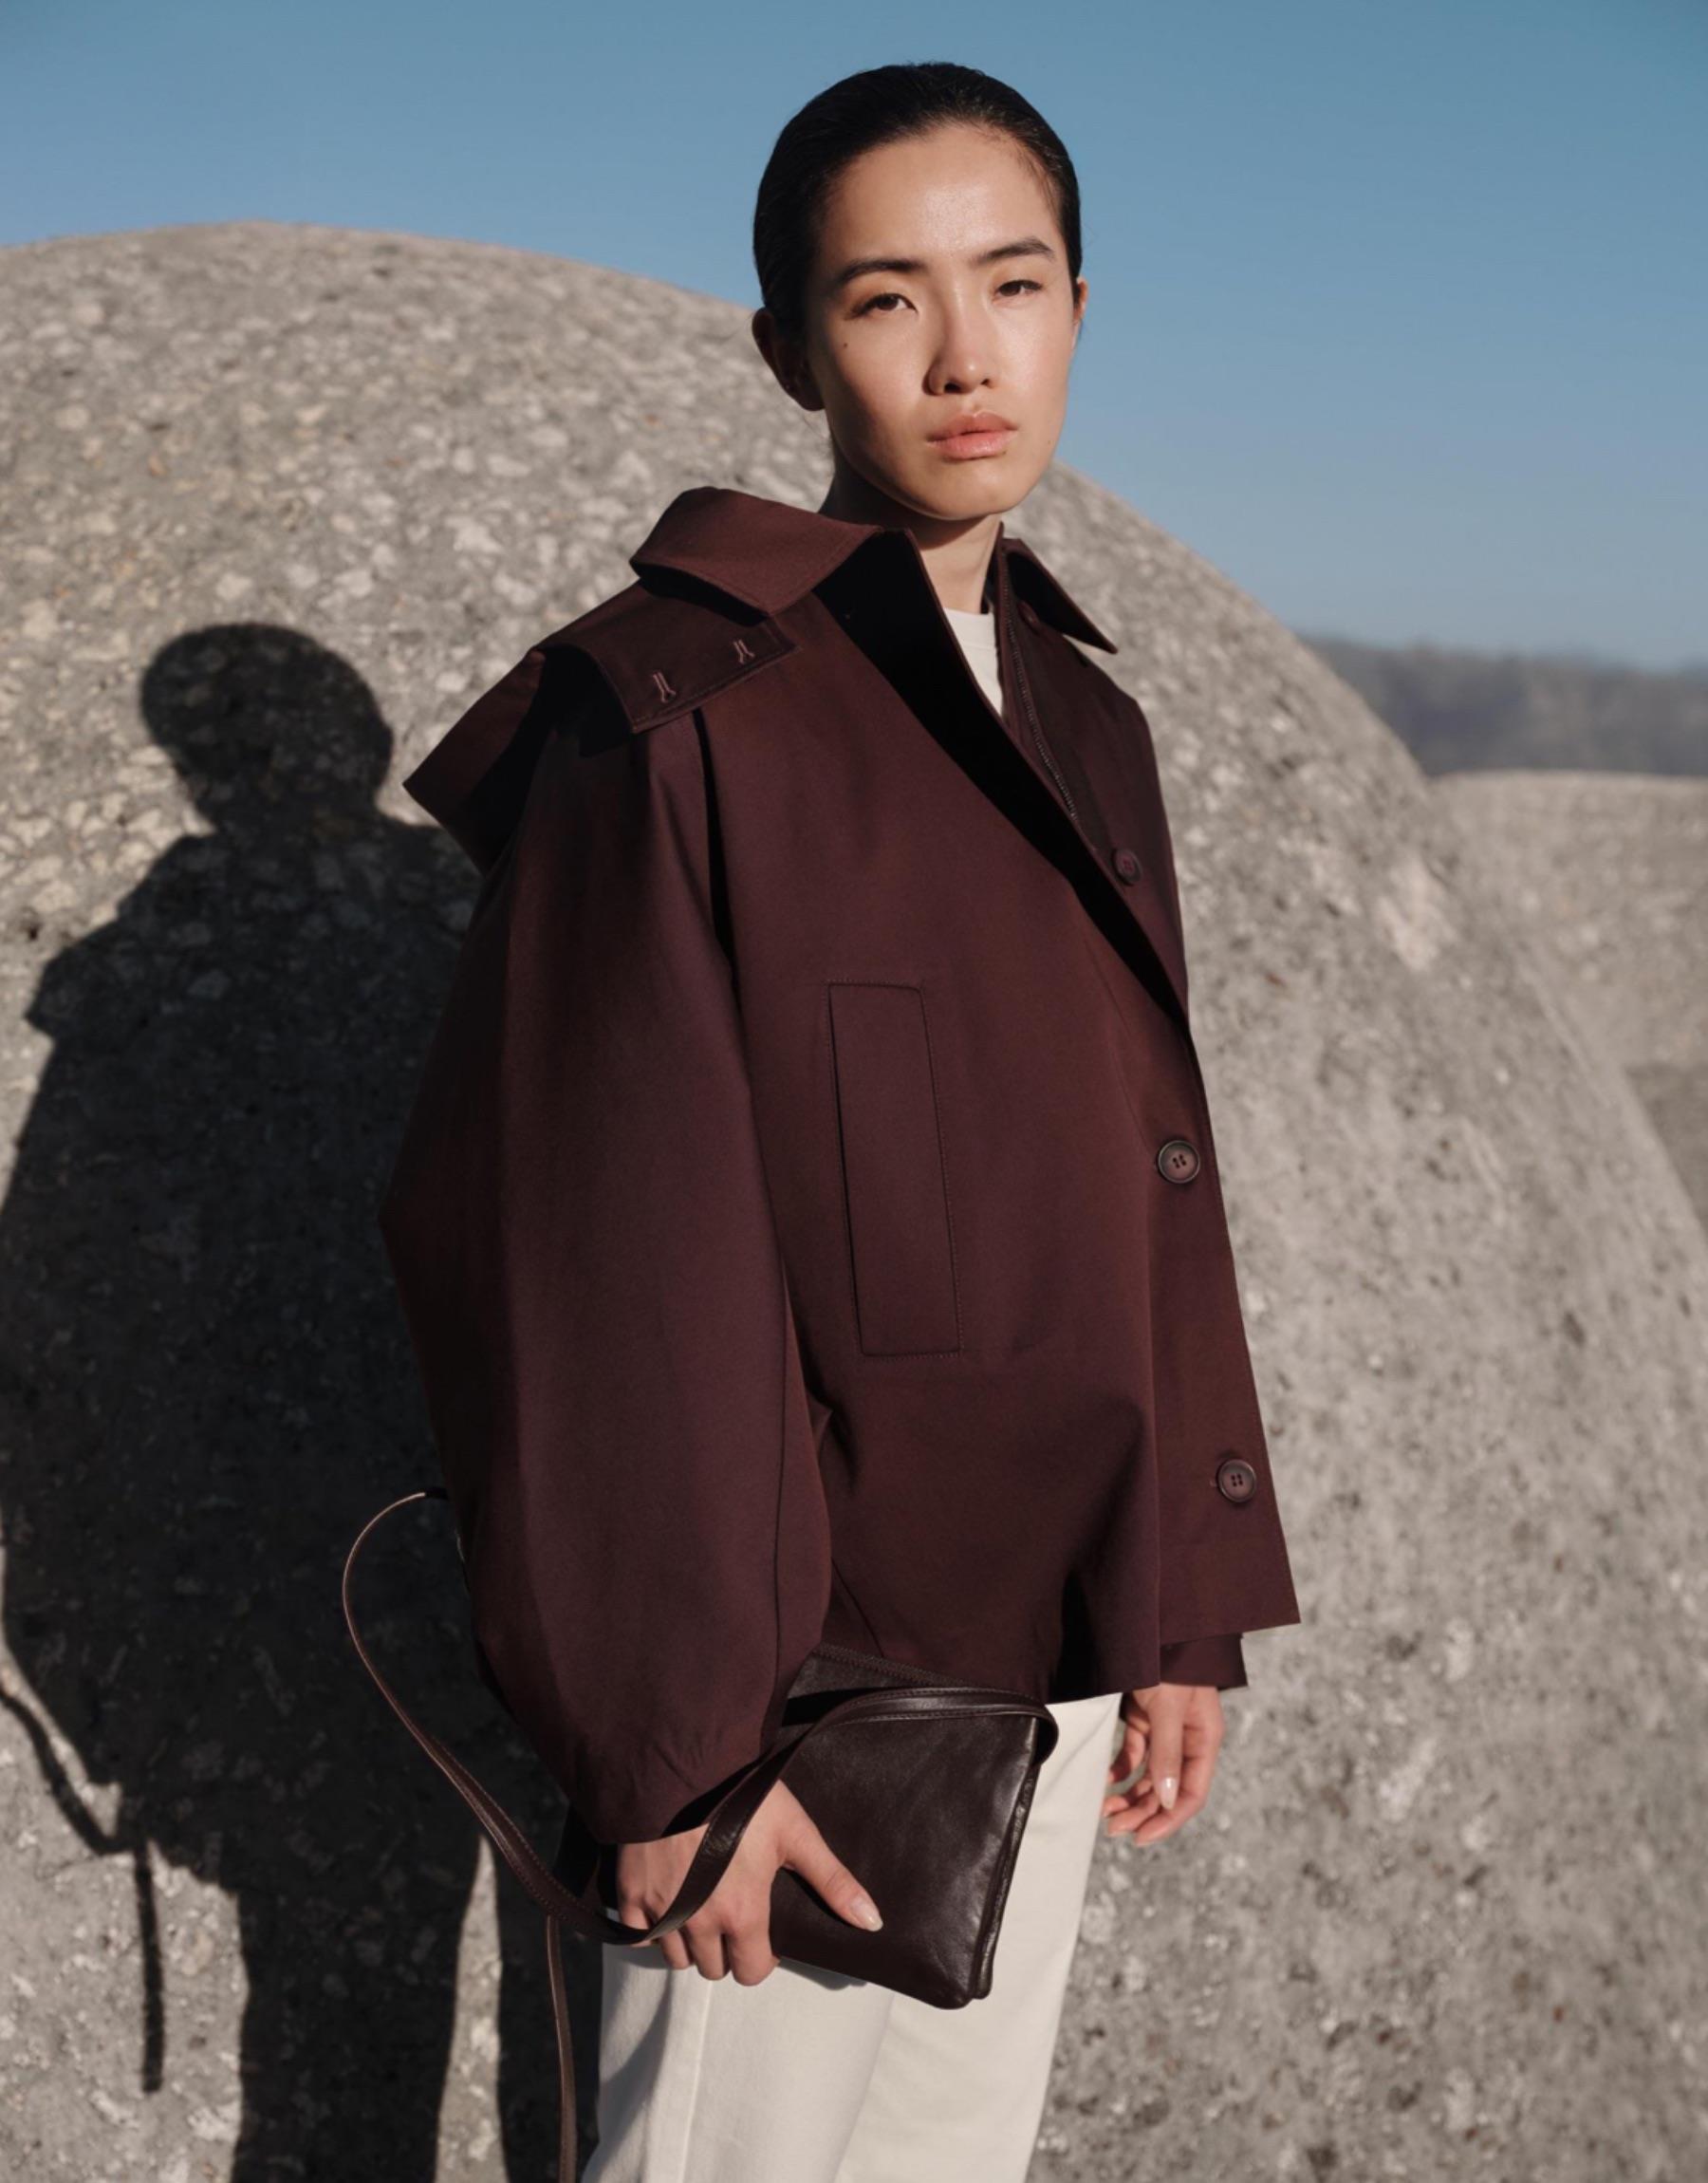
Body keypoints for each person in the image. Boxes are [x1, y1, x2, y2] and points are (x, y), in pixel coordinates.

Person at [376, 59, 1302, 2183]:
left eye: (1016, 283)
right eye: (887, 299)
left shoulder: (1085, 716)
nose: (968, 355)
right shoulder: (671, 714)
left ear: (1082, 308)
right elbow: (596, 1264)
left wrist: (1174, 1611)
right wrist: (678, 1748)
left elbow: (1146, 1175)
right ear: (790, 348)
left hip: (1048, 1664)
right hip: (790, 1714)